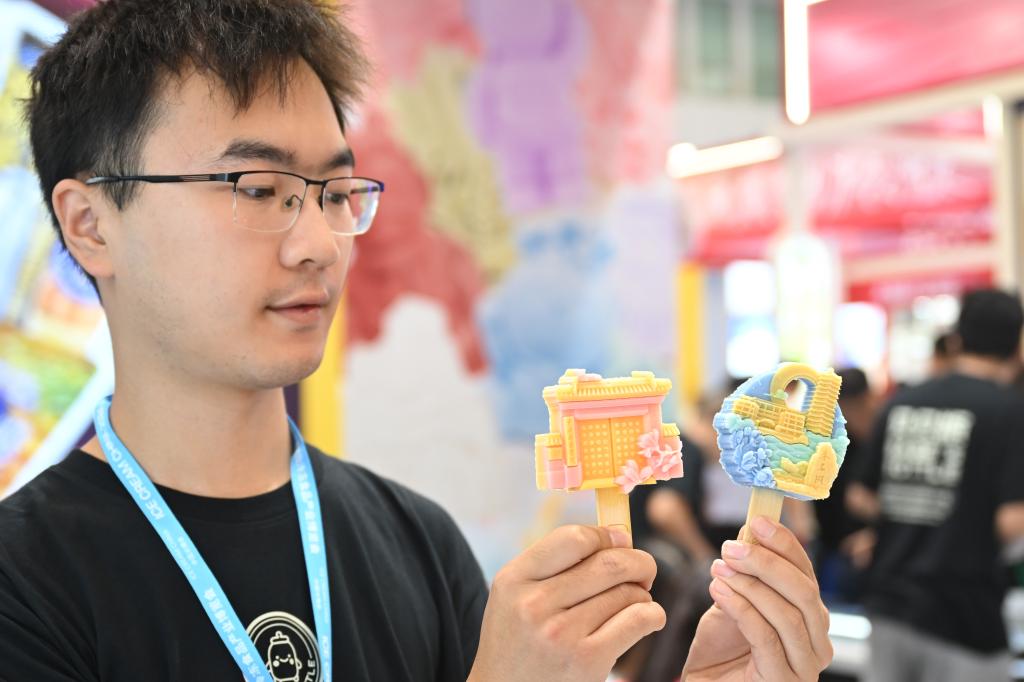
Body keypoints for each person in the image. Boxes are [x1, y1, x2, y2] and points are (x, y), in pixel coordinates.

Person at [0, 1, 832, 680]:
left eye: (334, 192)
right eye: (257, 188)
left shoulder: (416, 541)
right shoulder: (26, 583)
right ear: (90, 224)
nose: (318, 243)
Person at [848, 288, 1024, 682]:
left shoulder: (903, 402)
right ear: (1016, 345)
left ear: (958, 339)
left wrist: (913, 516)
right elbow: (1012, 521)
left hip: (890, 603)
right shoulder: (1011, 412)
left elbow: (860, 496)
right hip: (964, 617)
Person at [812, 367, 875, 603]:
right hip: (832, 546)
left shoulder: (881, 438)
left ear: (868, 399)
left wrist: (878, 533)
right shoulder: (830, 440)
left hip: (870, 550)